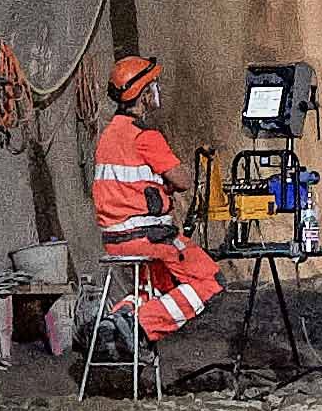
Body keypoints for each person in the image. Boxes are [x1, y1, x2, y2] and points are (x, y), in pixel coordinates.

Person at [83, 52, 221, 352]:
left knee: (161, 287)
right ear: (144, 95)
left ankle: (112, 322)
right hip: (146, 238)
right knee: (207, 280)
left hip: (115, 238)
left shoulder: (108, 136)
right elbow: (182, 180)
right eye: (153, 86)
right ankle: (138, 325)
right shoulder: (144, 137)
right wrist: (167, 185)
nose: (157, 91)